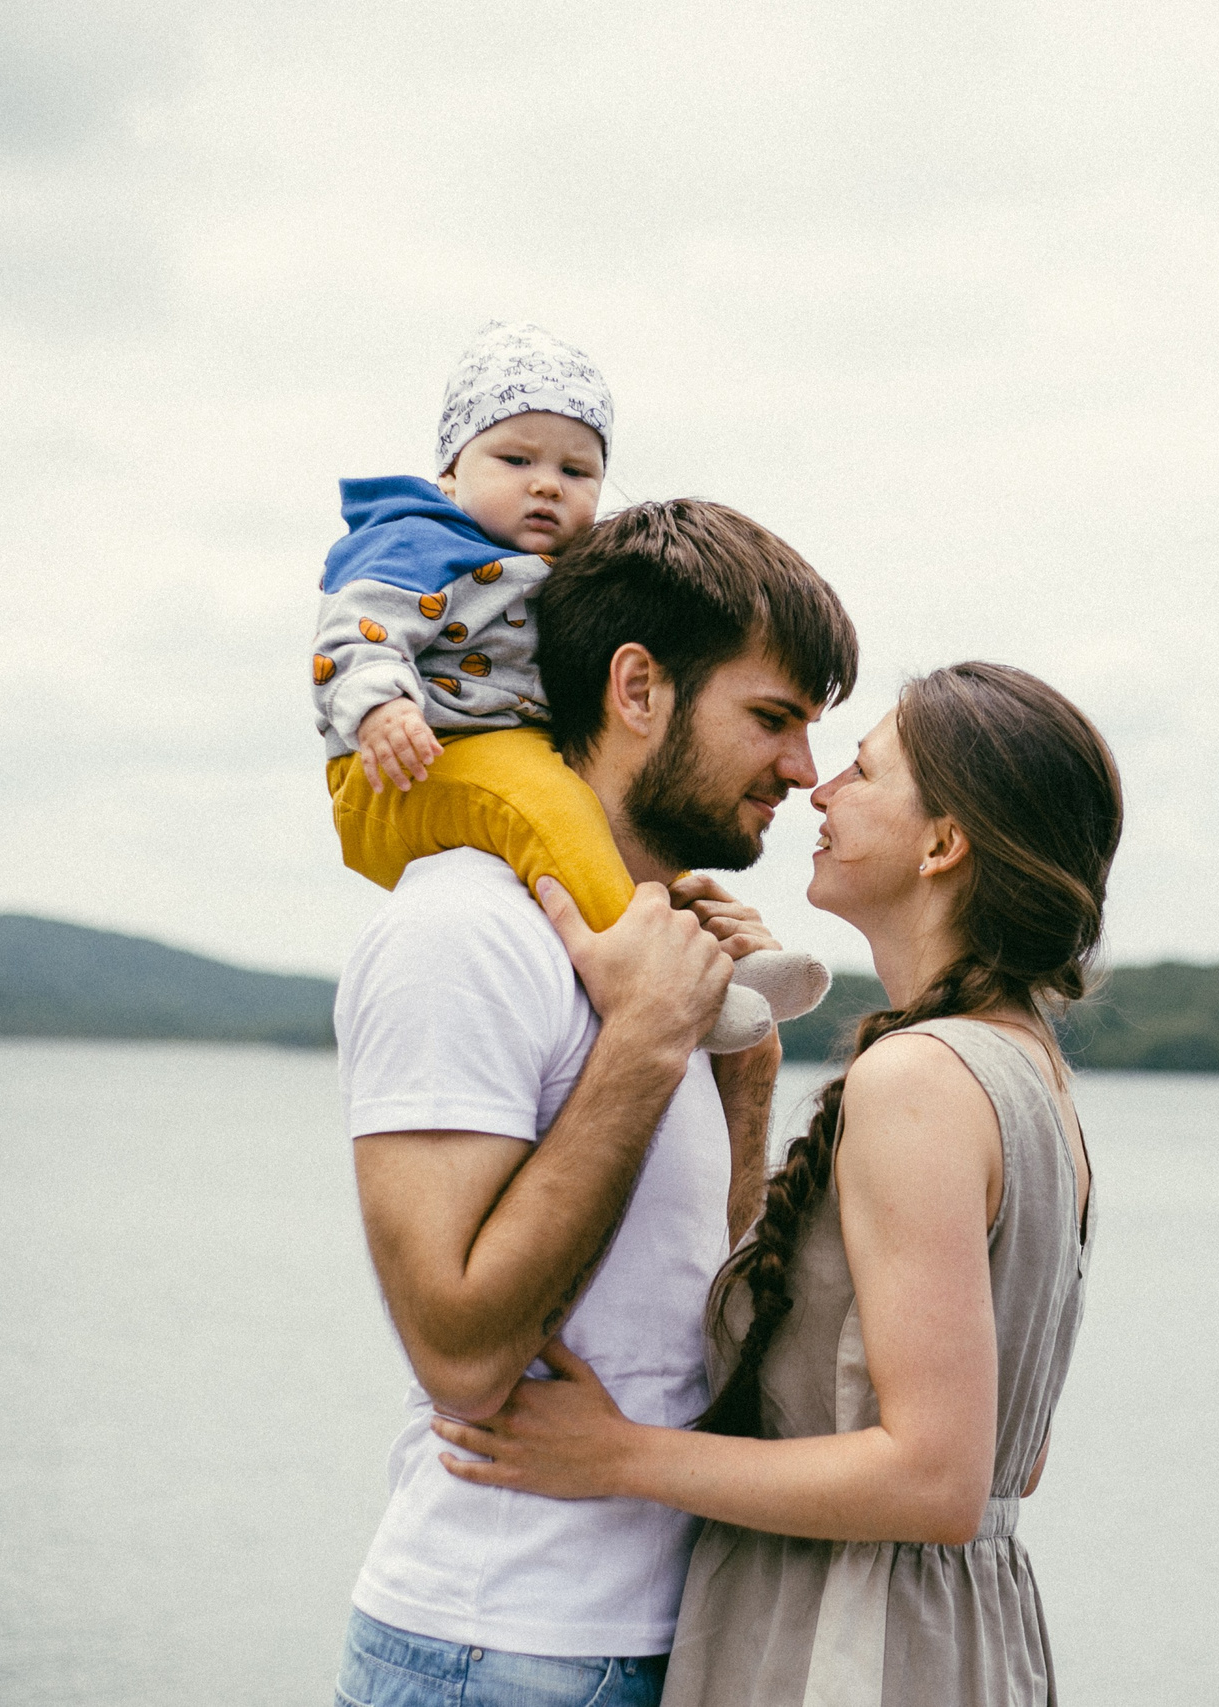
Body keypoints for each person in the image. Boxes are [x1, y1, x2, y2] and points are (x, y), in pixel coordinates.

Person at [429, 662, 1123, 1707]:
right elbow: (1005, 1465)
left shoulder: (917, 1079)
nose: (820, 788)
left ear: (943, 845)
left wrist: (620, 1456)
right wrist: (741, 1057)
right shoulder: (1028, 1073)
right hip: (963, 1641)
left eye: (863, 769)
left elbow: (933, 1479)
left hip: (851, 1650)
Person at [331, 499, 859, 1707]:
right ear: (637, 689)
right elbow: (458, 1350)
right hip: (497, 1650)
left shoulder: (654, 951)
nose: (802, 771)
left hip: (670, 1637)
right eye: (771, 719)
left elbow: (697, 1319)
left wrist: (741, 1070)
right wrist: (644, 1045)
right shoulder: (460, 928)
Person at [312, 319, 831, 1053]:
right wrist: (383, 707)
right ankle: (672, 990)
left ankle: (726, 964)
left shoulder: (562, 570)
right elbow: (355, 627)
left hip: (504, 751)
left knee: (610, 831)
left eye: (577, 472)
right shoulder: (416, 541)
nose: (546, 484)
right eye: (516, 458)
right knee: (554, 809)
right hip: (410, 761)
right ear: (450, 475)